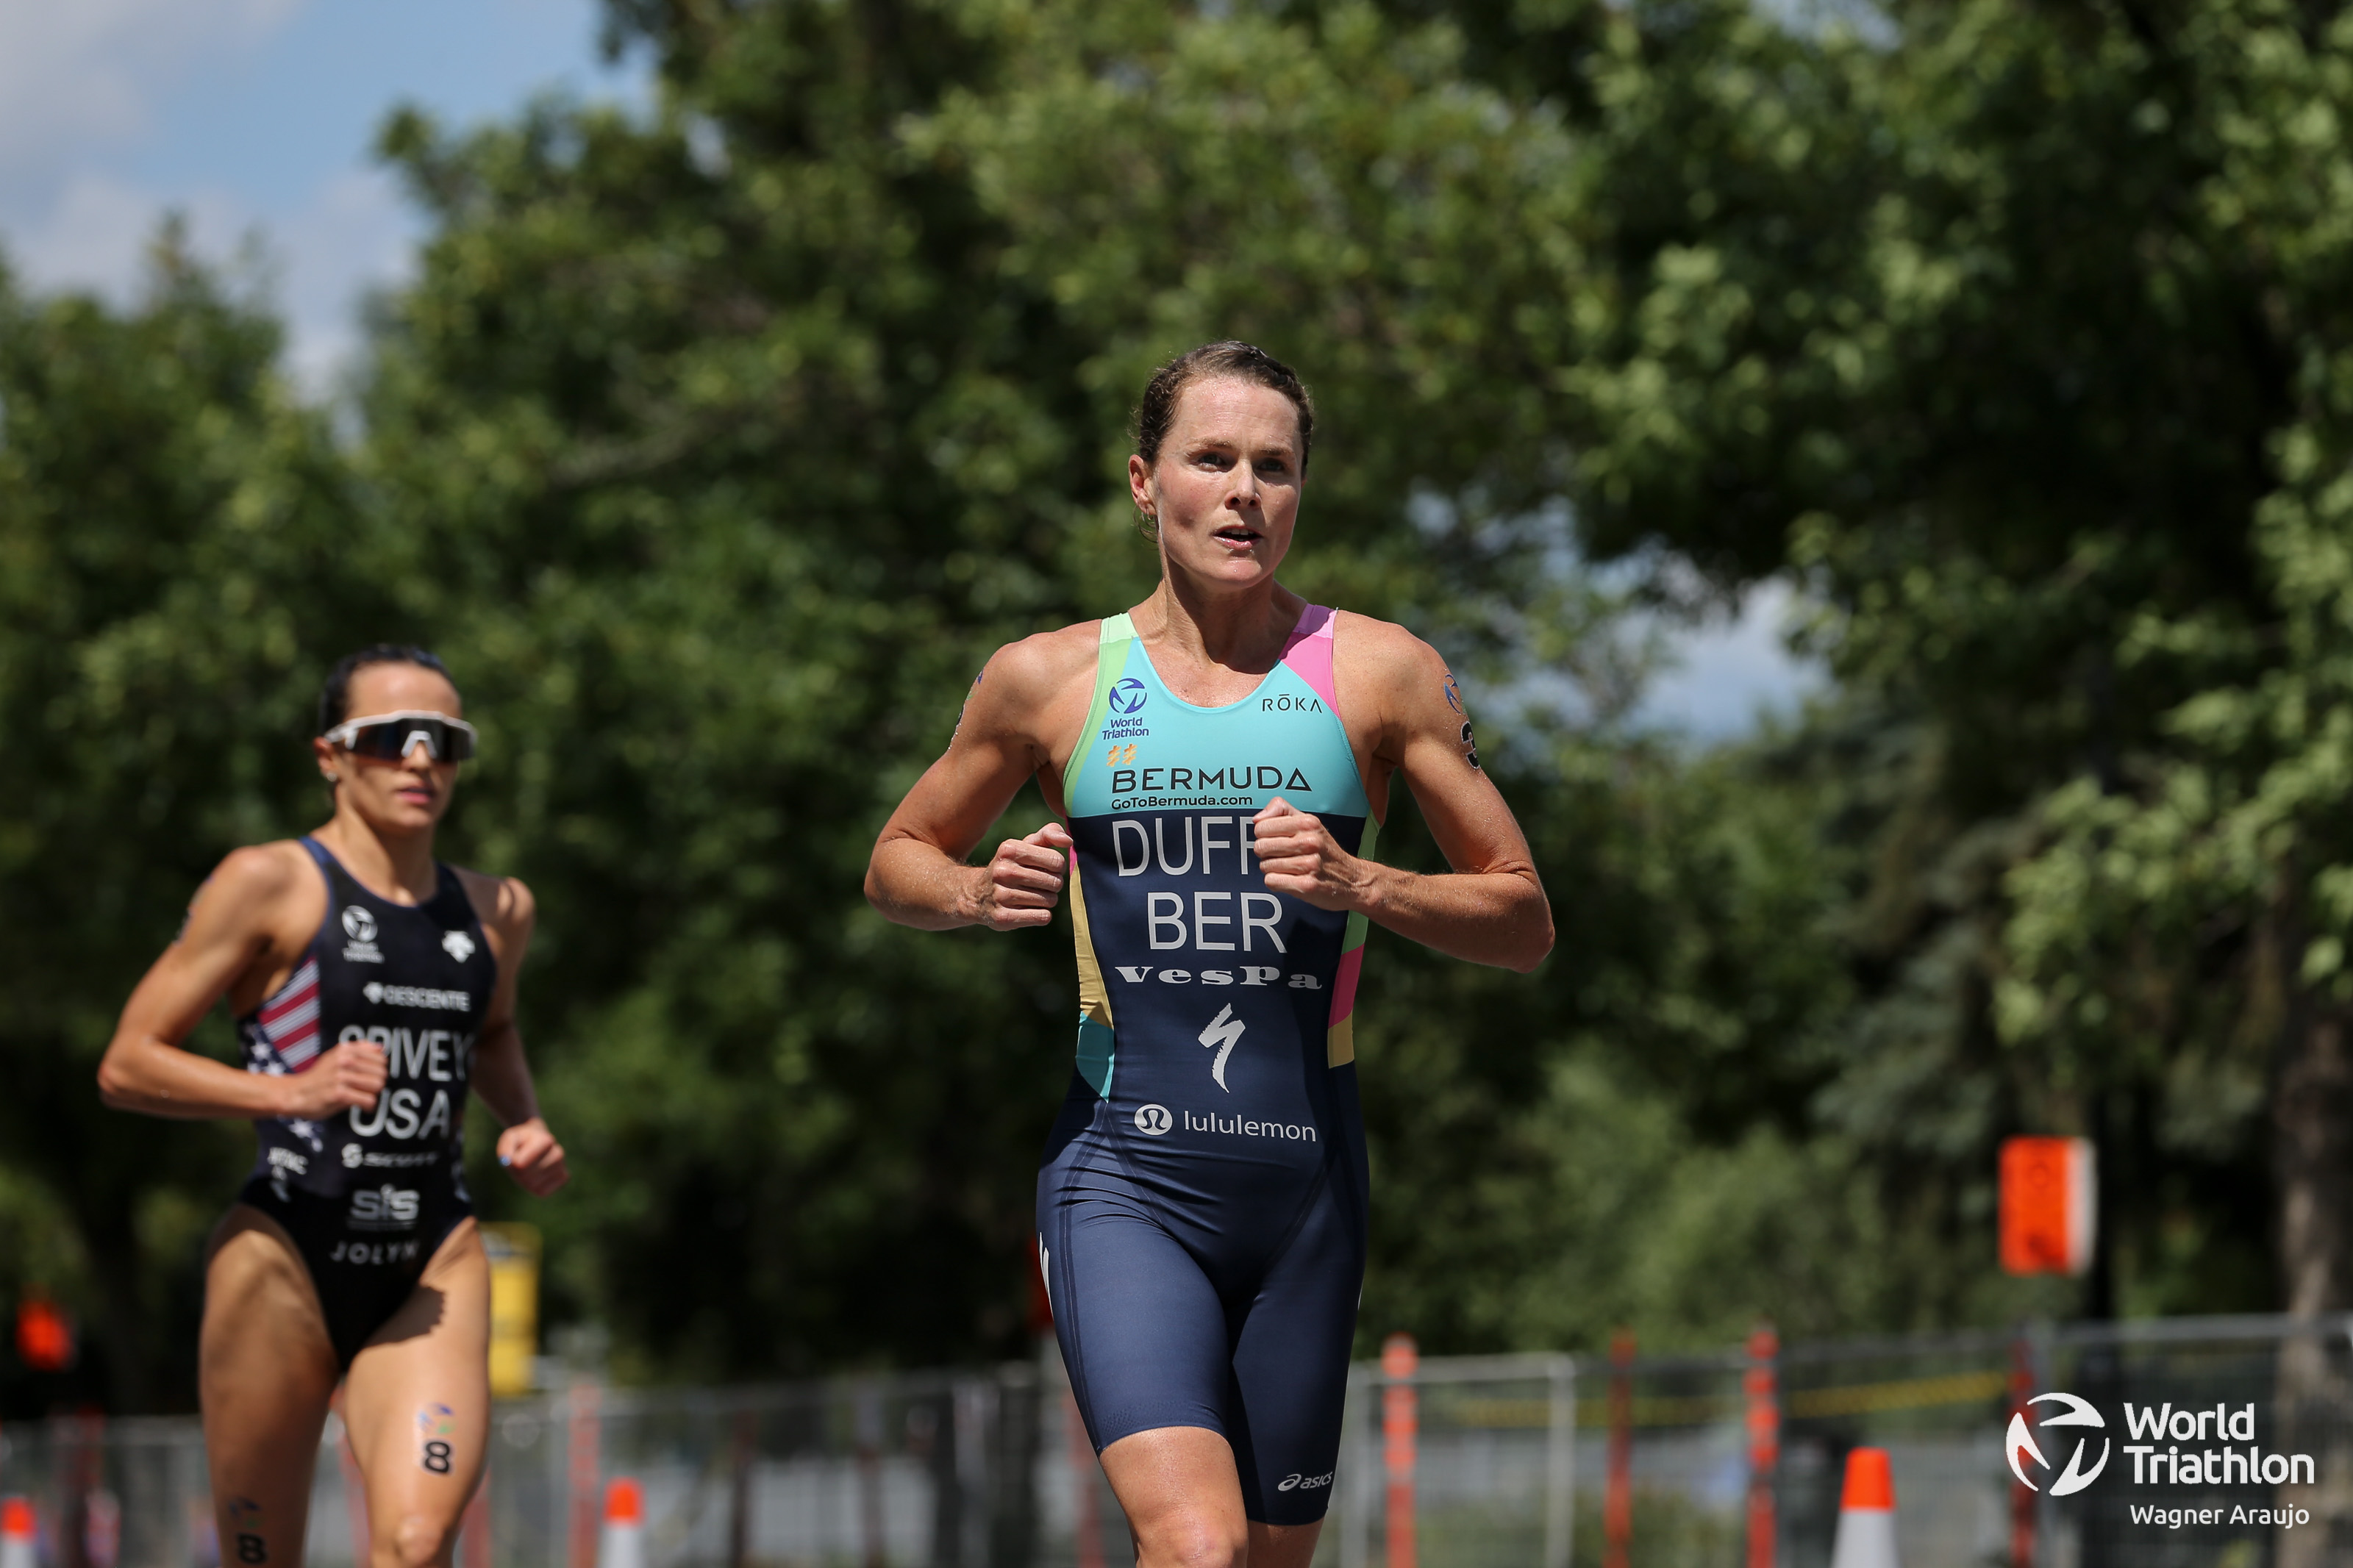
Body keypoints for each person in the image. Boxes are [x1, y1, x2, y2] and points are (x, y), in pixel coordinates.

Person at [866, 342, 1552, 1568]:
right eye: (1212, 460)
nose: (1245, 492)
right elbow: (896, 859)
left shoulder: (1380, 671)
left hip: (1307, 1191)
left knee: (1267, 1557)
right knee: (1196, 1545)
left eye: (1275, 467)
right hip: (1122, 1178)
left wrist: (1365, 881)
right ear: (1145, 482)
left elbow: (1523, 917)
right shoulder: (1049, 680)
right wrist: (974, 892)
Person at [97, 645, 567, 1568]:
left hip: (431, 1257)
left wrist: (525, 1121)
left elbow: (494, 1033)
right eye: (390, 738)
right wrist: (289, 1092)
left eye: (445, 740)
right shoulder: (268, 883)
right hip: (283, 1254)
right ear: (331, 756)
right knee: (262, 1557)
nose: (421, 759)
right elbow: (125, 1063)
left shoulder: (498, 909)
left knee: (417, 1539)